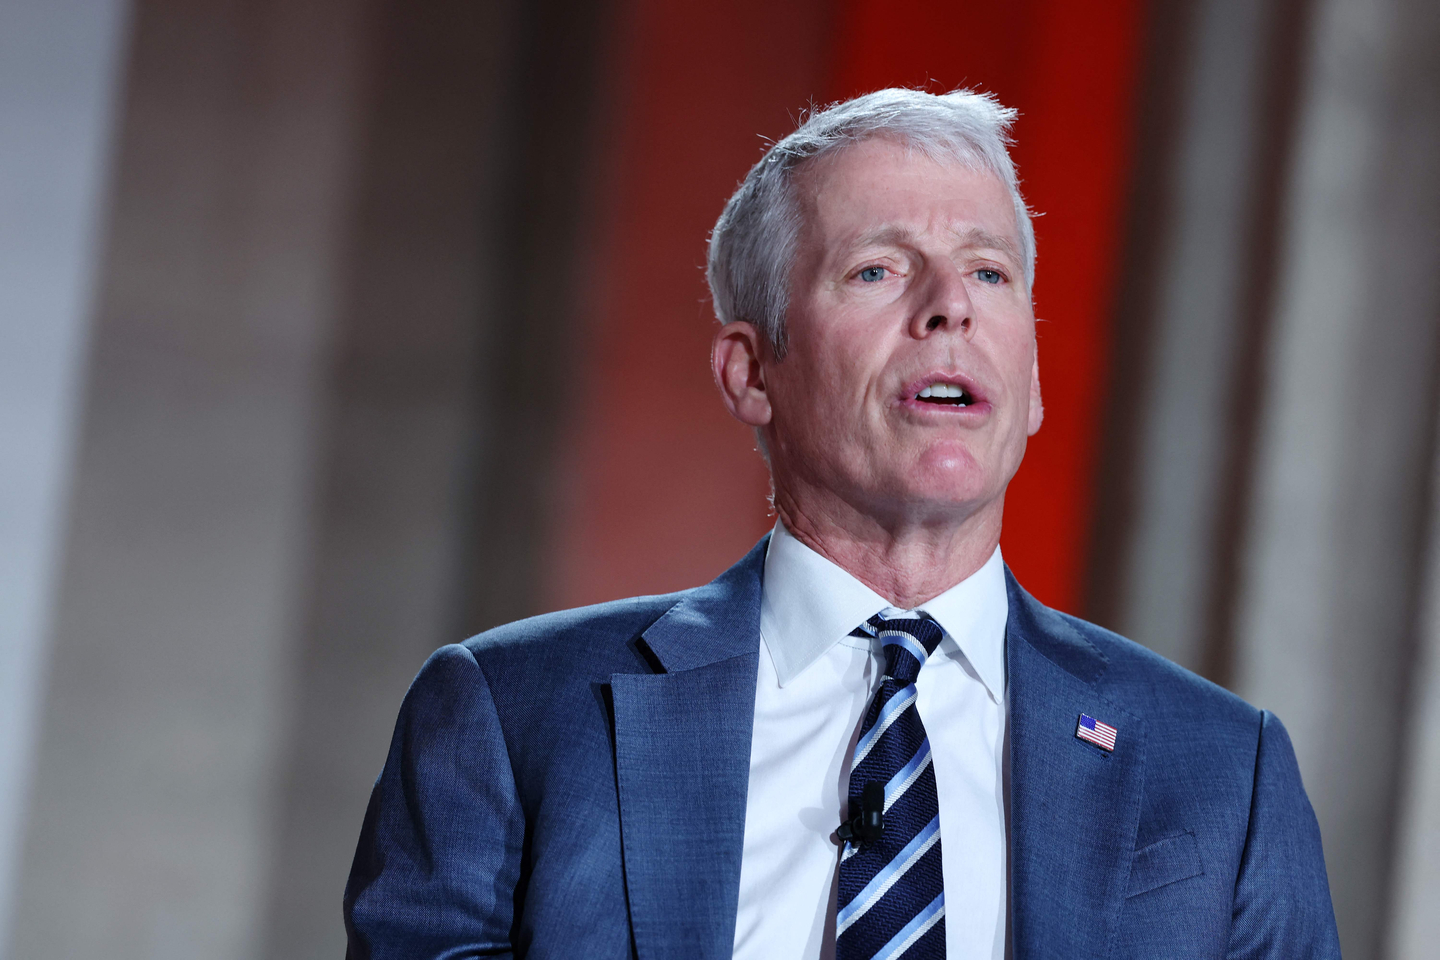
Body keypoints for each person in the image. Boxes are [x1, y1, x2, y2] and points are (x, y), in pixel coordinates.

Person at [343, 88, 1339, 959]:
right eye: (879, 270)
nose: (950, 306)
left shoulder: (1221, 768)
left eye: (990, 273)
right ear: (750, 370)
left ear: (1032, 383)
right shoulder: (510, 717)